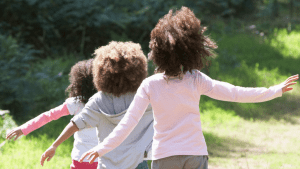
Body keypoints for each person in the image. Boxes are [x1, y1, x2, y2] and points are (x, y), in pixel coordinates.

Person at [78, 7, 299, 169]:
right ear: (191, 50)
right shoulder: (196, 79)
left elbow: (127, 124)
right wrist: (275, 90)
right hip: (195, 154)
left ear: (157, 52)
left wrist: (102, 148)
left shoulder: (150, 85)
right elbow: (235, 93)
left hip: (164, 157)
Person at [40, 41, 154, 169]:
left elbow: (76, 123)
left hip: (108, 164)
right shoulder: (143, 96)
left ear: (102, 71)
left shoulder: (99, 100)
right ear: (137, 70)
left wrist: (54, 145)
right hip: (137, 163)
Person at [6, 59, 99, 169]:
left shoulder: (76, 104)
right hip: (107, 159)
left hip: (82, 159)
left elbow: (48, 116)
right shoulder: (110, 103)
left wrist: (24, 128)